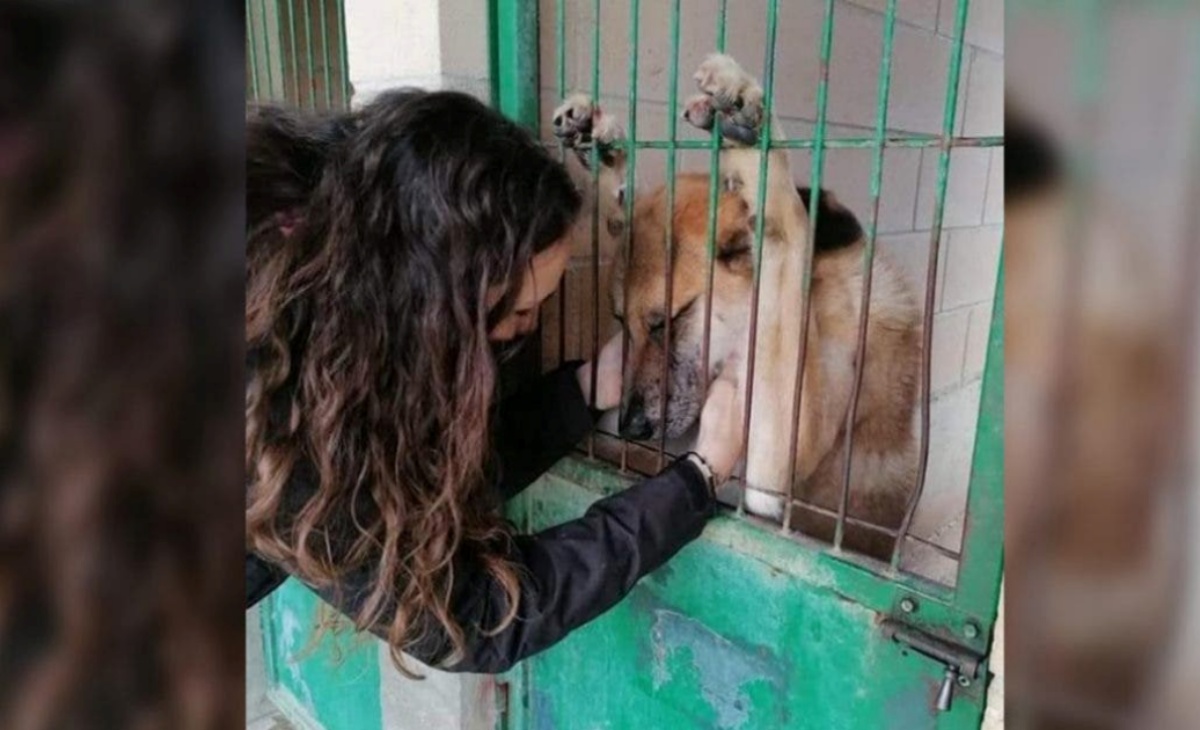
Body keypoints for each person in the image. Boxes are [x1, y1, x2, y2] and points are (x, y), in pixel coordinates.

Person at [244, 89, 746, 675]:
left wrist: (582, 392)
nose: (523, 334)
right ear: (440, 301)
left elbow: (420, 477)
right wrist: (699, 478)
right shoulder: (270, 402)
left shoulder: (335, 290)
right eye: (517, 313)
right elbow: (474, 615)